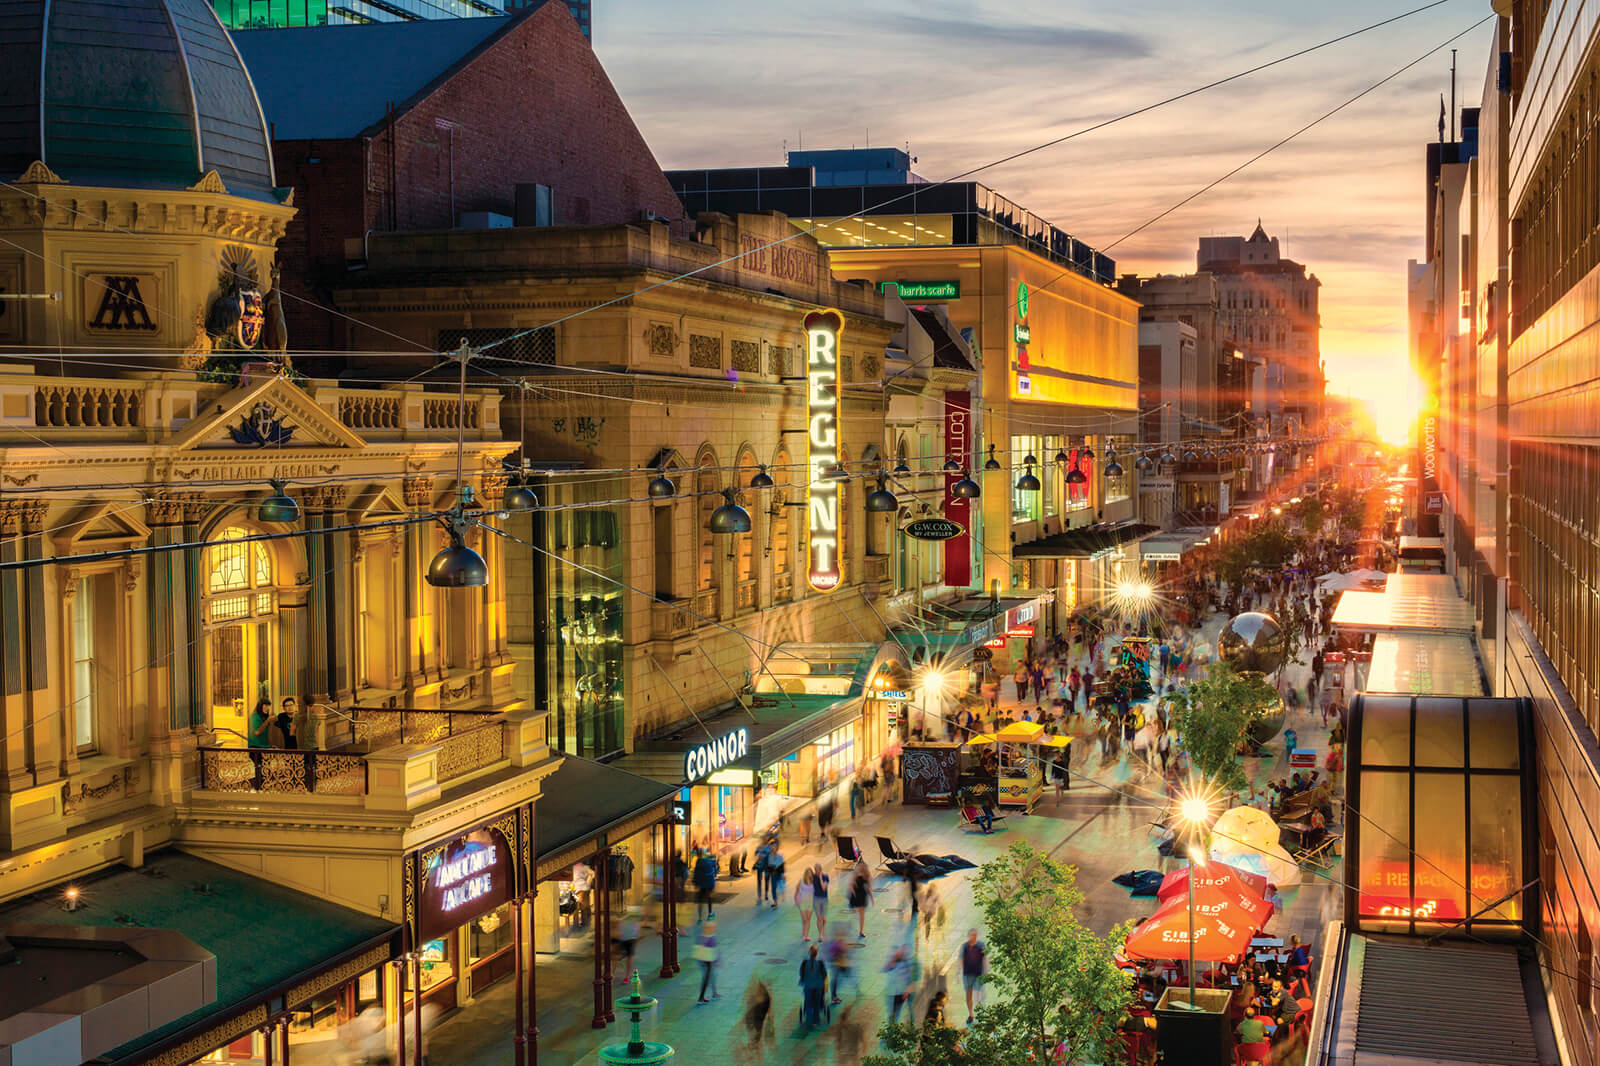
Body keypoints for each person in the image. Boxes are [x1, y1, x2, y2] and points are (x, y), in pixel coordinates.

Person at [799, 944, 829, 1029]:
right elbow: (824, 974)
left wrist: (803, 980)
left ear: (809, 952)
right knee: (817, 1003)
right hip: (818, 986)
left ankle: (809, 1020)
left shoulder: (805, 962)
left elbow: (801, 973)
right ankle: (816, 1021)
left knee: (808, 1003)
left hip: (808, 985)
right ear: (817, 953)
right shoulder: (820, 962)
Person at [960, 928, 987, 1023]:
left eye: (975, 935)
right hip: (967, 974)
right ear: (969, 936)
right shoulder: (965, 947)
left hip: (978, 973)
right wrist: (958, 972)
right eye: (972, 935)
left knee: (979, 994)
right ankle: (971, 1014)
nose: (974, 937)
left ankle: (980, 1013)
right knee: (969, 994)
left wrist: (986, 970)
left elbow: (985, 958)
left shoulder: (981, 946)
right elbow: (961, 959)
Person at [694, 919, 720, 1003]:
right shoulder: (710, 938)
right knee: (707, 978)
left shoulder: (701, 937)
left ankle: (714, 993)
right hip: (708, 961)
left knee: (712, 976)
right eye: (713, 927)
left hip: (703, 961)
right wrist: (717, 961)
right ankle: (701, 998)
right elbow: (714, 950)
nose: (715, 929)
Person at [847, 860, 872, 937]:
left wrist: (871, 896)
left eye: (862, 866)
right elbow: (851, 884)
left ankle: (861, 931)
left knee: (862, 914)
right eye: (860, 866)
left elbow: (869, 886)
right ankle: (856, 925)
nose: (861, 867)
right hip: (856, 894)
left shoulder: (867, 875)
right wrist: (852, 891)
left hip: (862, 894)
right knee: (857, 912)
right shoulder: (855, 874)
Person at [692, 849, 718, 921]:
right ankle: (710, 914)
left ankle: (700, 917)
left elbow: (696, 873)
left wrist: (695, 883)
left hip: (701, 884)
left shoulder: (698, 862)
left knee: (700, 900)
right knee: (709, 898)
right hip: (709, 883)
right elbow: (713, 870)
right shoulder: (708, 861)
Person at [571, 859, 594, 929]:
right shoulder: (579, 866)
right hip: (579, 888)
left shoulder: (582, 866)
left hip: (582, 888)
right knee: (585, 906)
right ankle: (585, 923)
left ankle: (578, 924)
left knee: (579, 906)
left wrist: (587, 883)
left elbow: (593, 874)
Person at [794, 869, 816, 940]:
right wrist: (796, 900)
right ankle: (804, 931)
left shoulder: (814, 882)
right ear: (805, 874)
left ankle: (806, 935)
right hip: (802, 902)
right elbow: (797, 891)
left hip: (810, 903)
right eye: (808, 873)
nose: (809, 875)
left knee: (808, 920)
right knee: (804, 919)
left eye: (810, 873)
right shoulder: (801, 881)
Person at [811, 864, 830, 939]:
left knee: (823, 918)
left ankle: (824, 930)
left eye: (817, 870)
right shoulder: (813, 877)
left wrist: (820, 878)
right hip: (816, 899)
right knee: (819, 918)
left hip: (824, 899)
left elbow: (823, 888)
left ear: (820, 870)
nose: (816, 871)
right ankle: (820, 935)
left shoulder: (825, 877)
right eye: (815, 870)